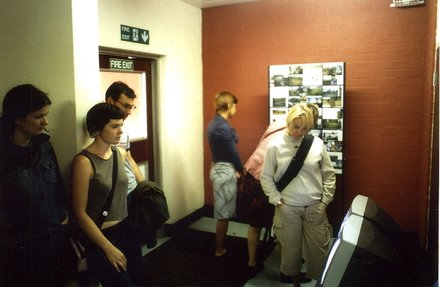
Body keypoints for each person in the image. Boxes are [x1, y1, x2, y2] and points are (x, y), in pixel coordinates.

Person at [0, 84, 70, 286]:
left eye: (46, 115)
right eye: (39, 116)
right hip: (20, 253)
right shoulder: (4, 155)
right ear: (17, 118)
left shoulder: (44, 146)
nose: (45, 122)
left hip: (54, 241)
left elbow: (58, 188)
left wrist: (63, 217)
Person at [260, 103, 336, 287]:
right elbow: (266, 178)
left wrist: (324, 202)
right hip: (287, 208)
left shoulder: (316, 144)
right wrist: (278, 202)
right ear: (288, 122)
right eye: (296, 126)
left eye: (305, 128)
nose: (300, 132)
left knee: (320, 254)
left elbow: (329, 175)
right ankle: (295, 285)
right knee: (290, 254)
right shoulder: (275, 146)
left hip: (314, 207)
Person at [242, 102, 319, 278]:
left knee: (256, 224)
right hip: (263, 178)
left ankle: (252, 262)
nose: (304, 130)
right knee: (281, 225)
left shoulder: (278, 123)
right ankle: (287, 269)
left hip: (252, 173)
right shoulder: (293, 137)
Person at [70, 103, 143, 286]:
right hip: (102, 235)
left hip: (127, 229)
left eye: (121, 126)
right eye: (114, 126)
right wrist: (107, 247)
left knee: (137, 279)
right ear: (96, 129)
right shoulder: (84, 162)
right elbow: (79, 212)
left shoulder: (119, 153)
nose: (120, 131)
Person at [207, 91, 244, 257]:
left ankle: (219, 246)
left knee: (223, 212)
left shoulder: (216, 123)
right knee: (223, 214)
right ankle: (219, 249)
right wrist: (241, 171)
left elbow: (233, 140)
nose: (236, 109)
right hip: (224, 170)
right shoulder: (222, 126)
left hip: (218, 167)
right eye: (235, 106)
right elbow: (233, 151)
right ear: (229, 106)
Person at [105, 81, 145, 197]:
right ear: (110, 101)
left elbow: (129, 158)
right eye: (125, 106)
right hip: (114, 196)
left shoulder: (124, 129)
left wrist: (144, 186)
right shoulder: (99, 130)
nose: (129, 112)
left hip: (132, 190)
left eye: (131, 107)